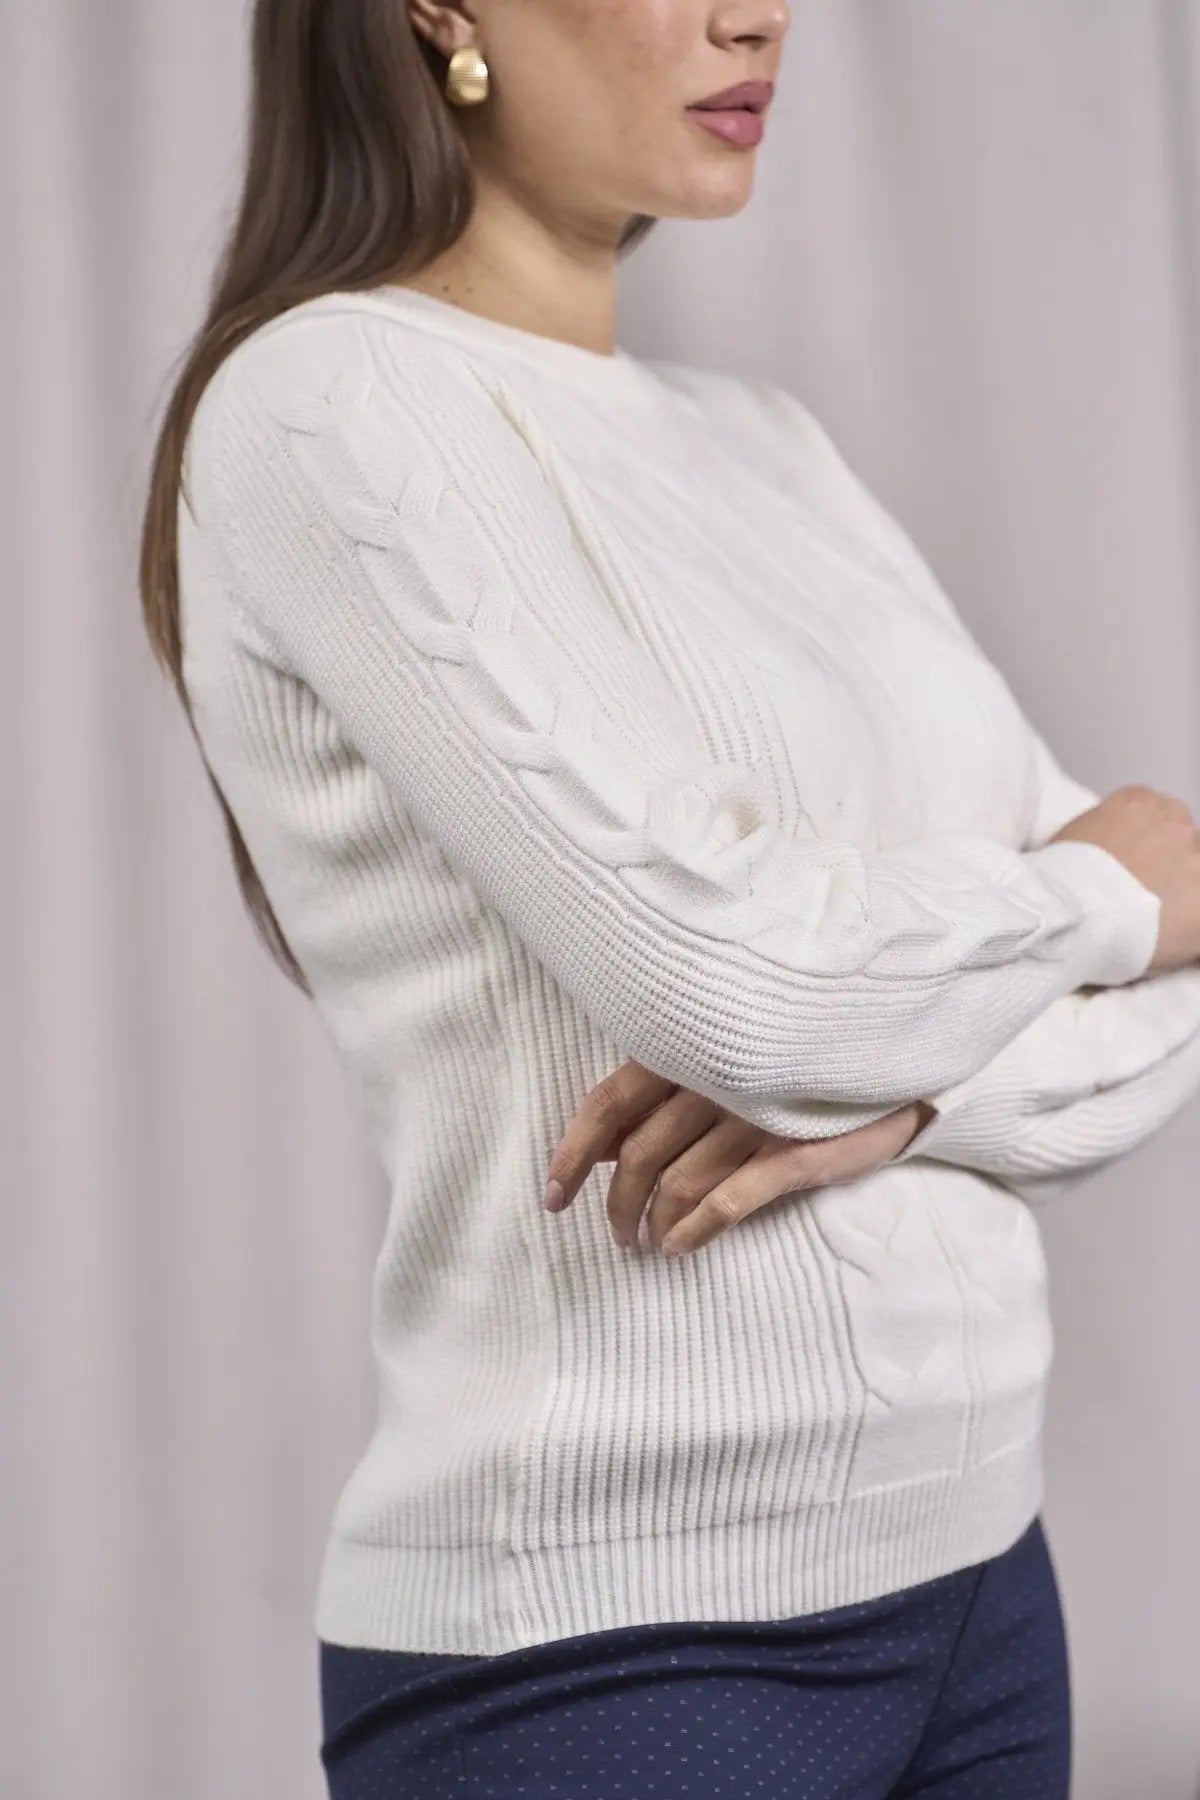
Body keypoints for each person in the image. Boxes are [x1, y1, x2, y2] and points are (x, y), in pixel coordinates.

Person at [139, 2, 1200, 1795]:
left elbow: (1156, 999)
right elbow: (746, 989)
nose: (755, 13)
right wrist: (1098, 895)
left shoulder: (770, 445)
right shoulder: (326, 405)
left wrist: (908, 1097)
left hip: (982, 1581)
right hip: (620, 1640)